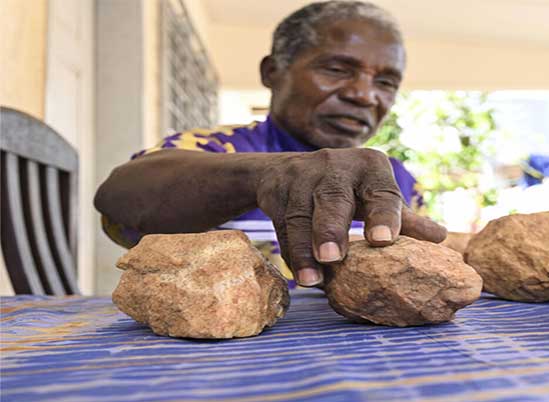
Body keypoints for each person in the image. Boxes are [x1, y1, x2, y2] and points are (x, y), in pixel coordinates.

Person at [94, 1, 447, 288]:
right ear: (272, 71)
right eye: (337, 70)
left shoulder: (395, 180)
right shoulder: (213, 148)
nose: (364, 95)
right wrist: (270, 173)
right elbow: (119, 196)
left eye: (385, 82)